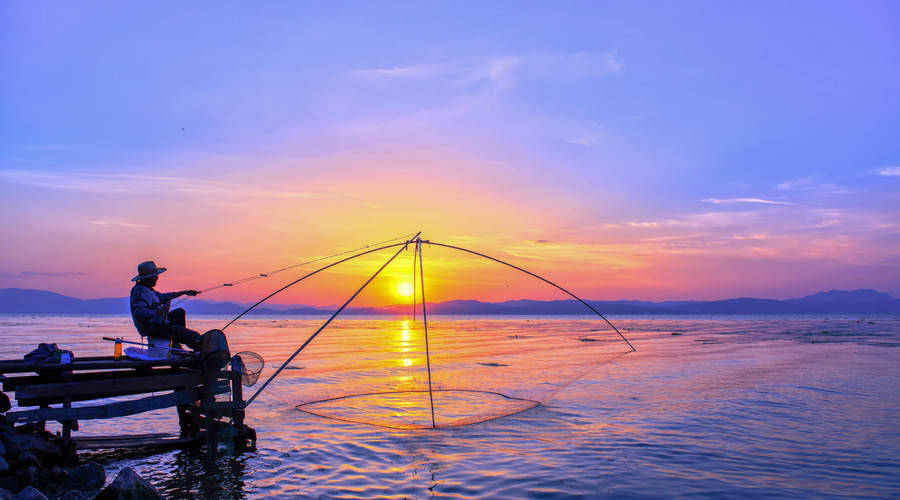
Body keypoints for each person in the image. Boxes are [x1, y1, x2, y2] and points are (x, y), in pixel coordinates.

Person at [130, 260, 201, 351]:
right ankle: (187, 347)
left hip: (159, 324)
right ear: (150, 278)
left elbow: (163, 297)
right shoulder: (141, 291)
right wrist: (158, 312)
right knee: (194, 336)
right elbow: (139, 312)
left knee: (179, 312)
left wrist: (184, 292)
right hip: (154, 328)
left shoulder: (148, 290)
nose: (157, 278)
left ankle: (175, 345)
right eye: (155, 276)